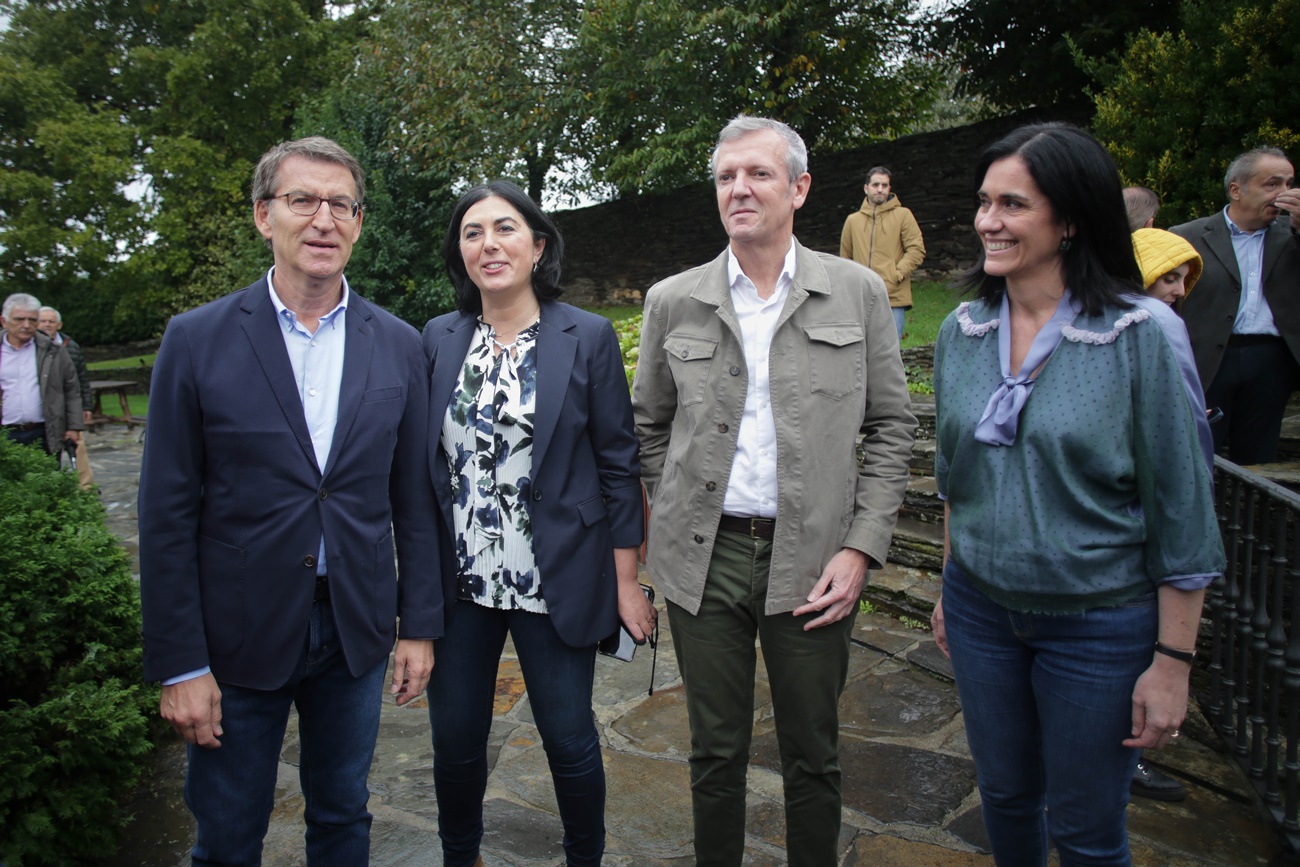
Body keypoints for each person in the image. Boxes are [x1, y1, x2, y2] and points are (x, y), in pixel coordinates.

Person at [138, 136, 440, 865]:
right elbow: (165, 511)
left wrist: (419, 626)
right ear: (262, 215)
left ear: (360, 223)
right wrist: (180, 664)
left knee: (342, 814)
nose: (323, 219)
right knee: (228, 830)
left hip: (355, 629)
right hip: (236, 633)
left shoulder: (399, 345)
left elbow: (416, 498)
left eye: (341, 204)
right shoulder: (196, 339)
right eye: (302, 200)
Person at [929, 122, 1224, 864]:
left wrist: (1171, 661)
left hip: (1098, 626)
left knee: (1087, 831)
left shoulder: (1140, 333)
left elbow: (1182, 507)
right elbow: (952, 476)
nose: (987, 221)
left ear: (1069, 219)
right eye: (984, 201)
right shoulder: (962, 329)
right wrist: (947, 584)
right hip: (980, 612)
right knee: (1004, 796)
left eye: (1013, 204)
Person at [633, 116, 917, 867]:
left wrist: (861, 547)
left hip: (816, 558)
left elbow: (892, 426)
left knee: (812, 752)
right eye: (726, 176)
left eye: (757, 174)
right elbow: (648, 426)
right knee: (714, 750)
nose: (739, 189)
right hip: (707, 555)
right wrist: (675, 505)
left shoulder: (855, 292)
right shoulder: (674, 300)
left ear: (799, 188)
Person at [422, 179, 651, 867]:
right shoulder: (437, 338)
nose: (488, 243)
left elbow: (618, 464)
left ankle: (586, 856)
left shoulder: (586, 335)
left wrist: (627, 580)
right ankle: (460, 855)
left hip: (556, 576)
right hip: (459, 582)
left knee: (568, 736)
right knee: (455, 740)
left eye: (504, 228)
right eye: (471, 232)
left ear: (537, 244)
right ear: (460, 252)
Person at [1170, 147, 1300, 465]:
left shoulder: (1292, 235)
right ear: (1236, 190)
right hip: (1207, 357)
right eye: (1272, 184)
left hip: (1271, 359)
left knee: (1259, 455)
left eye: (1289, 183)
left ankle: (1251, 517)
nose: (1284, 193)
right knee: (1197, 450)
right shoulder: (1187, 236)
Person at [839, 165, 926, 340]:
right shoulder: (852, 221)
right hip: (861, 297)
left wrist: (896, 274)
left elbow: (916, 249)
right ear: (866, 188)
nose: (880, 189)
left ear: (889, 189)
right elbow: (844, 258)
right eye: (876, 185)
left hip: (893, 296)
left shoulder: (903, 215)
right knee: (860, 351)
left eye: (884, 185)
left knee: (891, 353)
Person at [0, 293, 83, 454]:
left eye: (32, 320)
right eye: (19, 319)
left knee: (46, 477)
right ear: (4, 321)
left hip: (44, 433)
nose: (26, 325)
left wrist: (74, 427)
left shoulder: (54, 351)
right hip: (4, 434)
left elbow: (71, 389)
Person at [36, 306, 95, 489]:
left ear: (59, 325)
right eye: (43, 321)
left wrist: (86, 406)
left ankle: (85, 487)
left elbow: (80, 379)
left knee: (77, 446)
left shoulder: (71, 347)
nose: (47, 324)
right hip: (47, 407)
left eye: (51, 321)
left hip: (68, 406)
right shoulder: (35, 348)